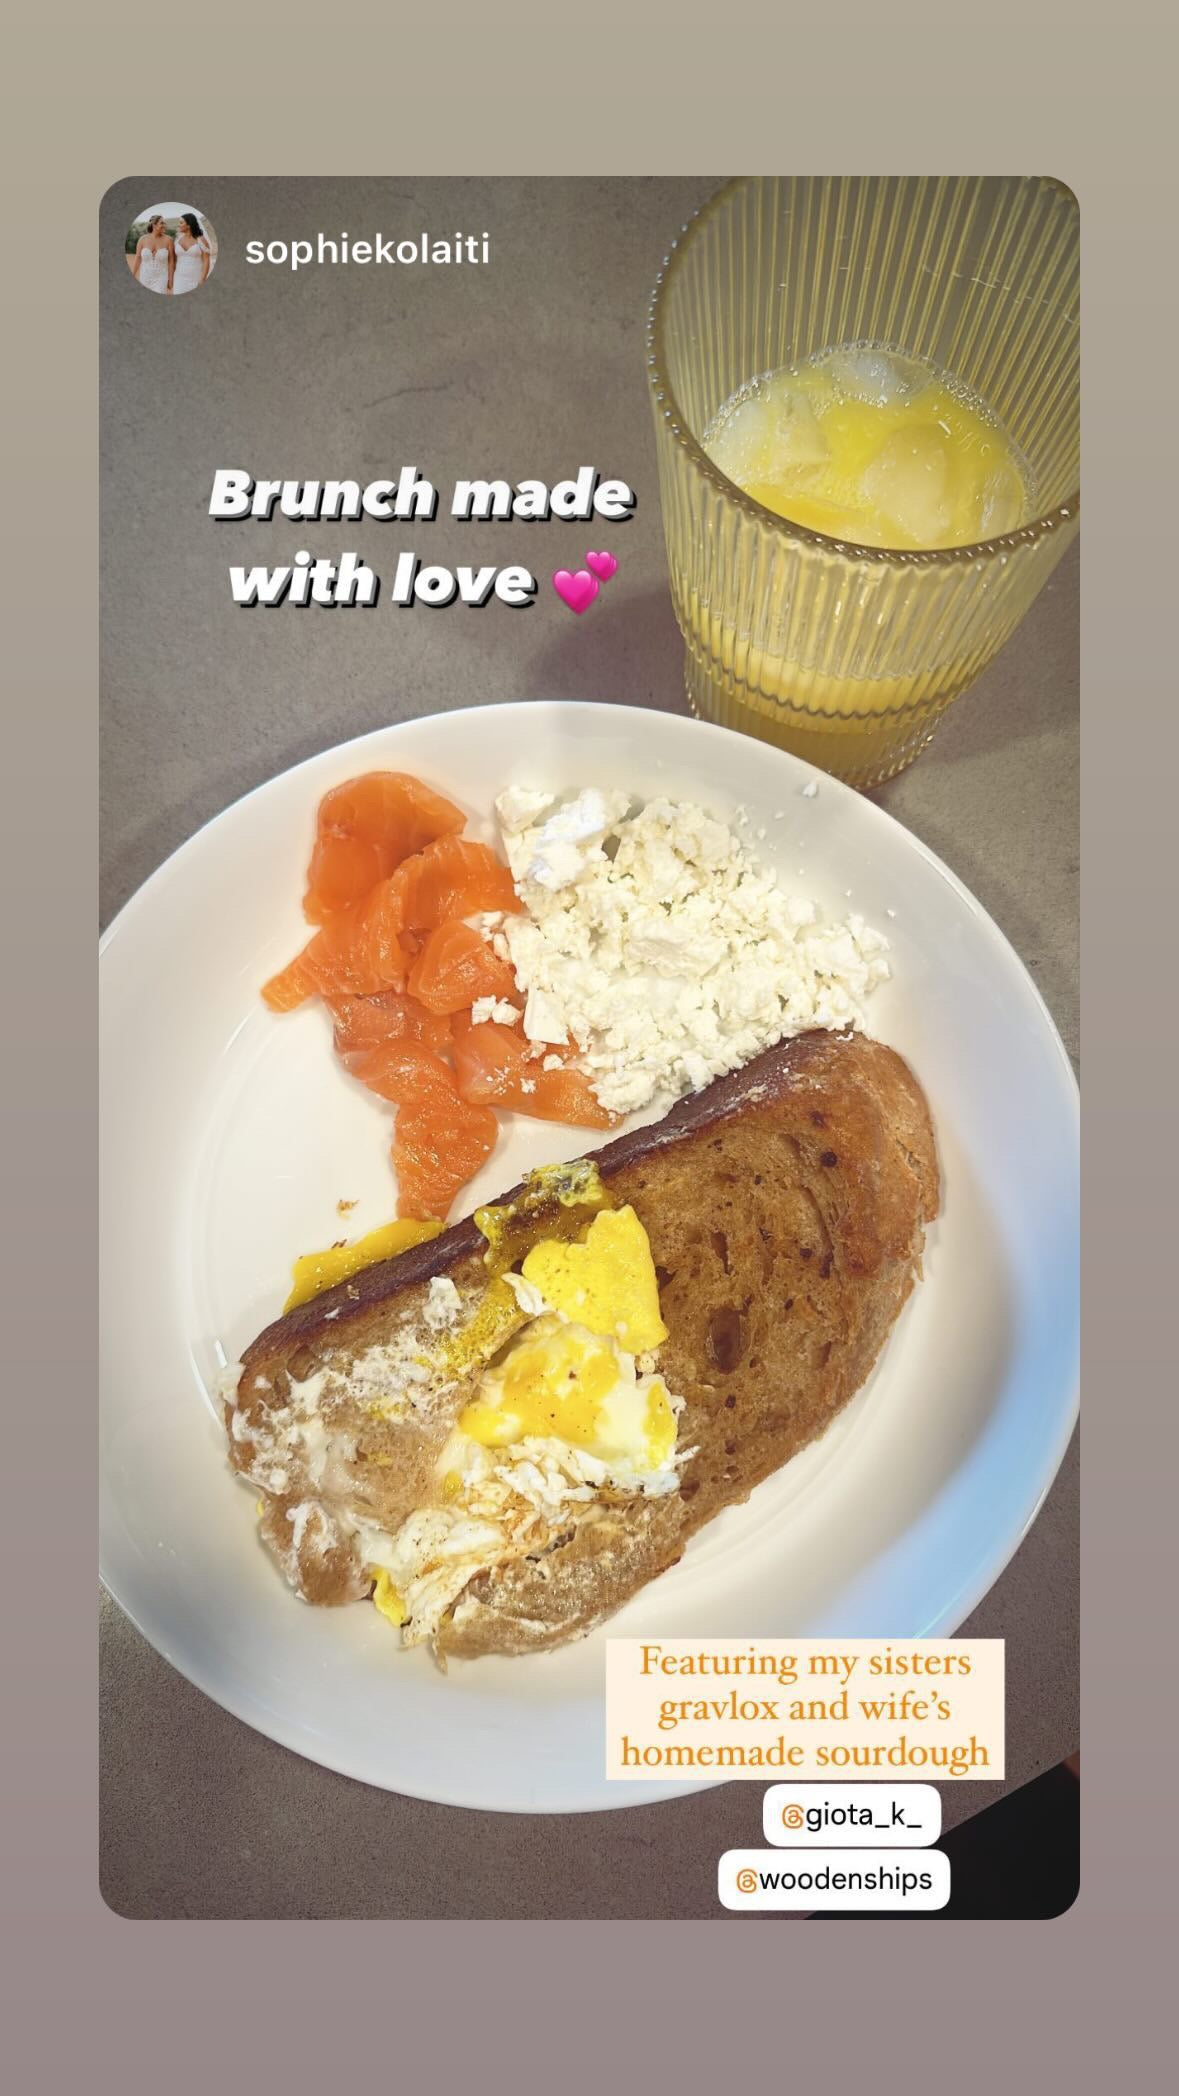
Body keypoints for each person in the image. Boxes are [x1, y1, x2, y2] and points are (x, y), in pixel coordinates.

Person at [132, 214, 173, 295]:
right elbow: (138, 258)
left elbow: (171, 261)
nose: (164, 225)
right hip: (145, 277)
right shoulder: (142, 239)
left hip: (161, 278)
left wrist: (170, 279)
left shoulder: (168, 240)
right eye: (162, 223)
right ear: (154, 225)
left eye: (164, 223)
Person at [172, 211, 211, 296]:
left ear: (189, 225)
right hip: (179, 277)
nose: (179, 225)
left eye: (181, 223)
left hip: (195, 277)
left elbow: (206, 260)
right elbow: (174, 260)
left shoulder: (201, 240)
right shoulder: (177, 240)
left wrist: (202, 279)